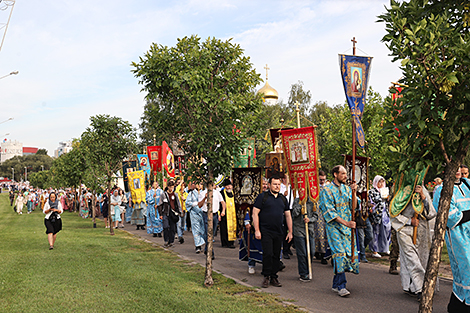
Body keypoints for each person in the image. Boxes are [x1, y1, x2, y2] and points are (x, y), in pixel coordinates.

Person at [433, 166, 470, 312]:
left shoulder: (467, 184)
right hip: (458, 238)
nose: (458, 169)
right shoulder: (441, 190)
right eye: (454, 165)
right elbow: (451, 217)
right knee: (466, 272)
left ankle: (456, 307)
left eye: (460, 165)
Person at [319, 165, 359, 297]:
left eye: (346, 174)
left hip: (347, 228)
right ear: (335, 174)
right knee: (339, 254)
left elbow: (354, 206)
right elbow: (329, 211)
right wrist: (346, 223)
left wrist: (354, 193)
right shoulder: (327, 190)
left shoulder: (347, 189)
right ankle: (342, 286)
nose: (346, 176)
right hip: (334, 227)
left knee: (346, 254)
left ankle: (336, 284)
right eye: (343, 173)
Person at [391, 183, 435, 299]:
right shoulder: (400, 190)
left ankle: (414, 286)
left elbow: (430, 212)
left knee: (422, 258)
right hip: (404, 229)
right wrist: (409, 221)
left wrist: (422, 196)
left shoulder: (422, 189)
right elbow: (392, 212)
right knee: (411, 259)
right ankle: (421, 288)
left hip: (421, 230)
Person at [252, 176, 293, 288]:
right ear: (269, 185)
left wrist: (290, 231)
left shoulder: (283, 199)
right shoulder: (263, 197)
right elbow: (255, 213)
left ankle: (274, 276)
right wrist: (257, 230)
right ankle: (266, 276)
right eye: (274, 184)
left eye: (278, 184)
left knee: (276, 255)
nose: (277, 186)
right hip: (265, 230)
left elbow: (288, 215)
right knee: (268, 254)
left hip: (279, 231)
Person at [292, 197, 317, 282]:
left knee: (311, 251)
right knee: (302, 252)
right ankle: (303, 273)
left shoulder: (313, 202)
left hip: (309, 229)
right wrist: (300, 205)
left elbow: (316, 216)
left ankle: (308, 268)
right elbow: (294, 214)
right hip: (299, 229)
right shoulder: (297, 201)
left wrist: (310, 219)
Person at [198, 183, 225, 257]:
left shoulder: (217, 193)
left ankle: (207, 248)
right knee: (207, 233)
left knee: (212, 234)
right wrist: (204, 198)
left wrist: (223, 210)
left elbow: (222, 202)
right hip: (206, 214)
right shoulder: (203, 193)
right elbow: (199, 205)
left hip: (215, 214)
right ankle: (211, 252)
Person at [368, 175, 391, 258]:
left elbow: (387, 201)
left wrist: (388, 198)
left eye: (382, 181)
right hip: (377, 214)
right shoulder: (372, 191)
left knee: (386, 230)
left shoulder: (385, 190)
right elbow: (372, 201)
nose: (381, 184)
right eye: (379, 182)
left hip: (385, 213)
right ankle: (375, 250)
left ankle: (385, 248)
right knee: (376, 231)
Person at [158, 180, 182, 247]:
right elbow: (160, 204)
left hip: (173, 213)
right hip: (166, 213)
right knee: (166, 227)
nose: (172, 189)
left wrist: (179, 212)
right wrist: (160, 214)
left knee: (173, 228)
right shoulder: (163, 195)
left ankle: (171, 241)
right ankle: (166, 240)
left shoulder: (175, 194)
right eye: (170, 187)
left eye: (173, 187)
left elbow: (178, 203)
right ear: (168, 187)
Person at [314, 170, 330, 264]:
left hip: (327, 212)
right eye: (320, 179)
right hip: (318, 211)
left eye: (324, 179)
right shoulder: (315, 188)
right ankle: (318, 251)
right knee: (319, 233)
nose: (322, 181)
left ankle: (325, 254)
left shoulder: (328, 188)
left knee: (326, 233)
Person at [186, 181, 205, 253]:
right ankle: (198, 246)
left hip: (203, 213)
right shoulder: (191, 193)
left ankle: (204, 243)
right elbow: (187, 203)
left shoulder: (204, 193)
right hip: (194, 214)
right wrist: (194, 204)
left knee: (203, 229)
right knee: (196, 229)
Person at [219, 179, 236, 248]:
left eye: (230, 186)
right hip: (224, 214)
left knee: (233, 227)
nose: (229, 187)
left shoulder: (234, 193)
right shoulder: (221, 193)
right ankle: (225, 242)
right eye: (227, 186)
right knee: (224, 228)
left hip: (233, 214)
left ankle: (231, 242)